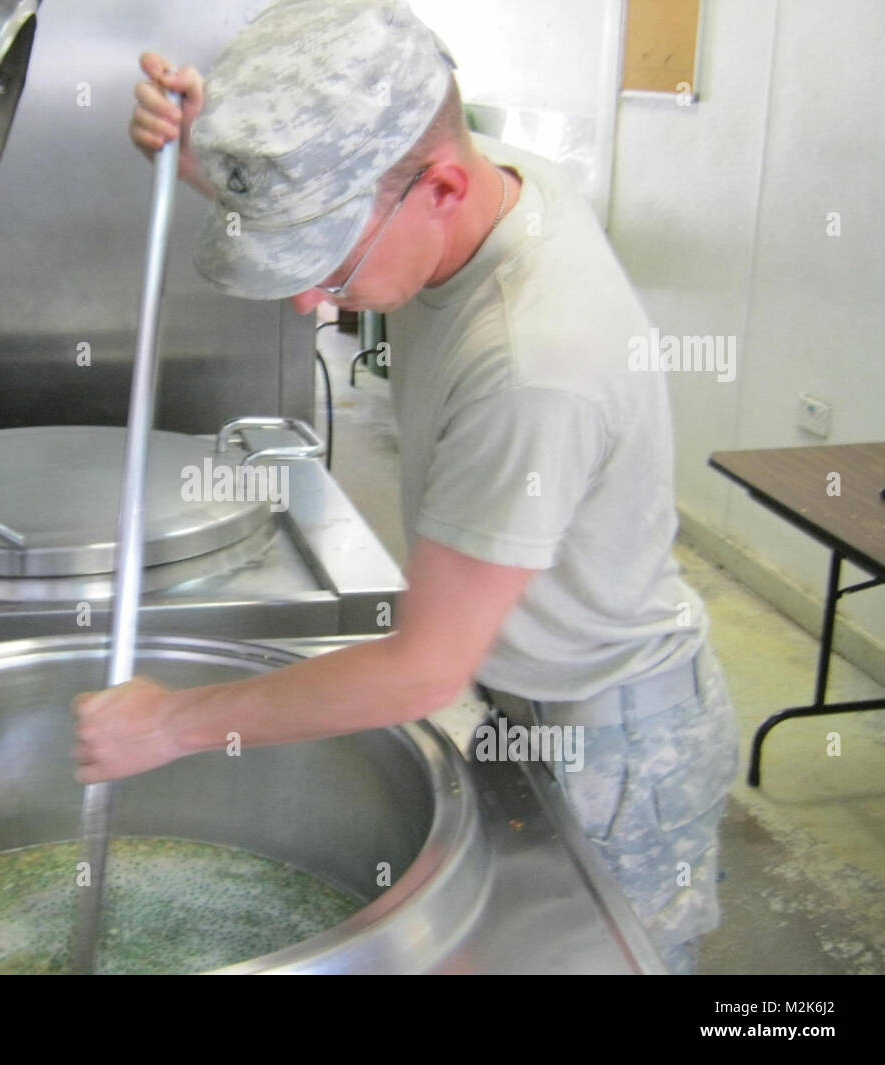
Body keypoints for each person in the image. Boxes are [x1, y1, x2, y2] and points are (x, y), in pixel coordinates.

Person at [73, 0, 738, 974]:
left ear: (439, 186)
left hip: (617, 744)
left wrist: (171, 723)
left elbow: (421, 672)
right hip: (524, 700)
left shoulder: (534, 367)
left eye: (328, 259)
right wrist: (219, 160)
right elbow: (353, 168)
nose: (308, 299)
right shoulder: (491, 182)